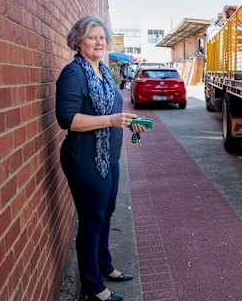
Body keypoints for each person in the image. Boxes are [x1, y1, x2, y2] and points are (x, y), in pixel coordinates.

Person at [55, 16, 146, 301]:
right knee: (92, 220)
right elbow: (67, 119)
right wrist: (110, 119)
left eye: (102, 37)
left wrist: (129, 122)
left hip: (109, 157)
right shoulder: (74, 73)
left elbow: (113, 110)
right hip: (85, 160)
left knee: (105, 215)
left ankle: (105, 266)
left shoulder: (104, 72)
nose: (99, 42)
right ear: (78, 41)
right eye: (92, 37)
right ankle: (92, 287)